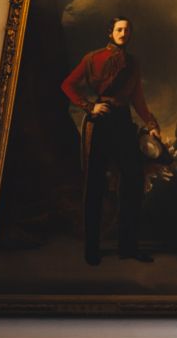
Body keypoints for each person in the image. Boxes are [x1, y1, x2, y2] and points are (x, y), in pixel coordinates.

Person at [61, 16, 160, 265]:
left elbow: (137, 97)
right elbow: (68, 85)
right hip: (100, 123)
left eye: (127, 29)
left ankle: (128, 247)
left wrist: (151, 124)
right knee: (94, 184)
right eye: (119, 29)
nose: (123, 33)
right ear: (110, 33)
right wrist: (88, 106)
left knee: (133, 181)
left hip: (123, 122)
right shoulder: (92, 58)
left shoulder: (133, 63)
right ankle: (91, 249)